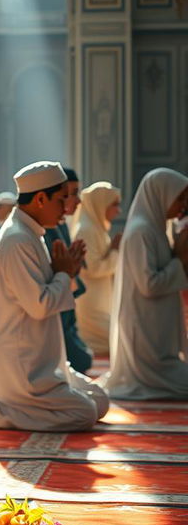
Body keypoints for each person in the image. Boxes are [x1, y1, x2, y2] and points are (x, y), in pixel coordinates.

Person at [0, 161, 109, 432]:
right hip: (24, 367)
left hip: (42, 359)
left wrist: (65, 272)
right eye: (62, 199)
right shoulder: (17, 239)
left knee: (100, 401)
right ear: (40, 198)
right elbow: (40, 305)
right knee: (85, 412)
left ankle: (19, 405)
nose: (67, 206)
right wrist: (65, 274)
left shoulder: (31, 234)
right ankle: (5, 409)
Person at [100, 168, 188, 399]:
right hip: (144, 340)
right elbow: (149, 284)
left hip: (155, 335)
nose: (183, 204)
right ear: (162, 195)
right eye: (179, 198)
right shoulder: (141, 231)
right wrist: (180, 259)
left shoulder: (157, 228)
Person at [44, 168, 93, 374]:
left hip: (65, 301)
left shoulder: (60, 224)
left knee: (83, 359)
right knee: (81, 361)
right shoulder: (45, 228)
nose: (77, 201)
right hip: (52, 304)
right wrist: (68, 270)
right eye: (70, 194)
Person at [73, 181, 122, 355]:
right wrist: (115, 251)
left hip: (100, 299)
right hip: (90, 301)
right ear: (101, 204)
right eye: (114, 205)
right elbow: (93, 269)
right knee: (120, 343)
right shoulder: (86, 230)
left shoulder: (96, 228)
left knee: (119, 341)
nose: (119, 210)